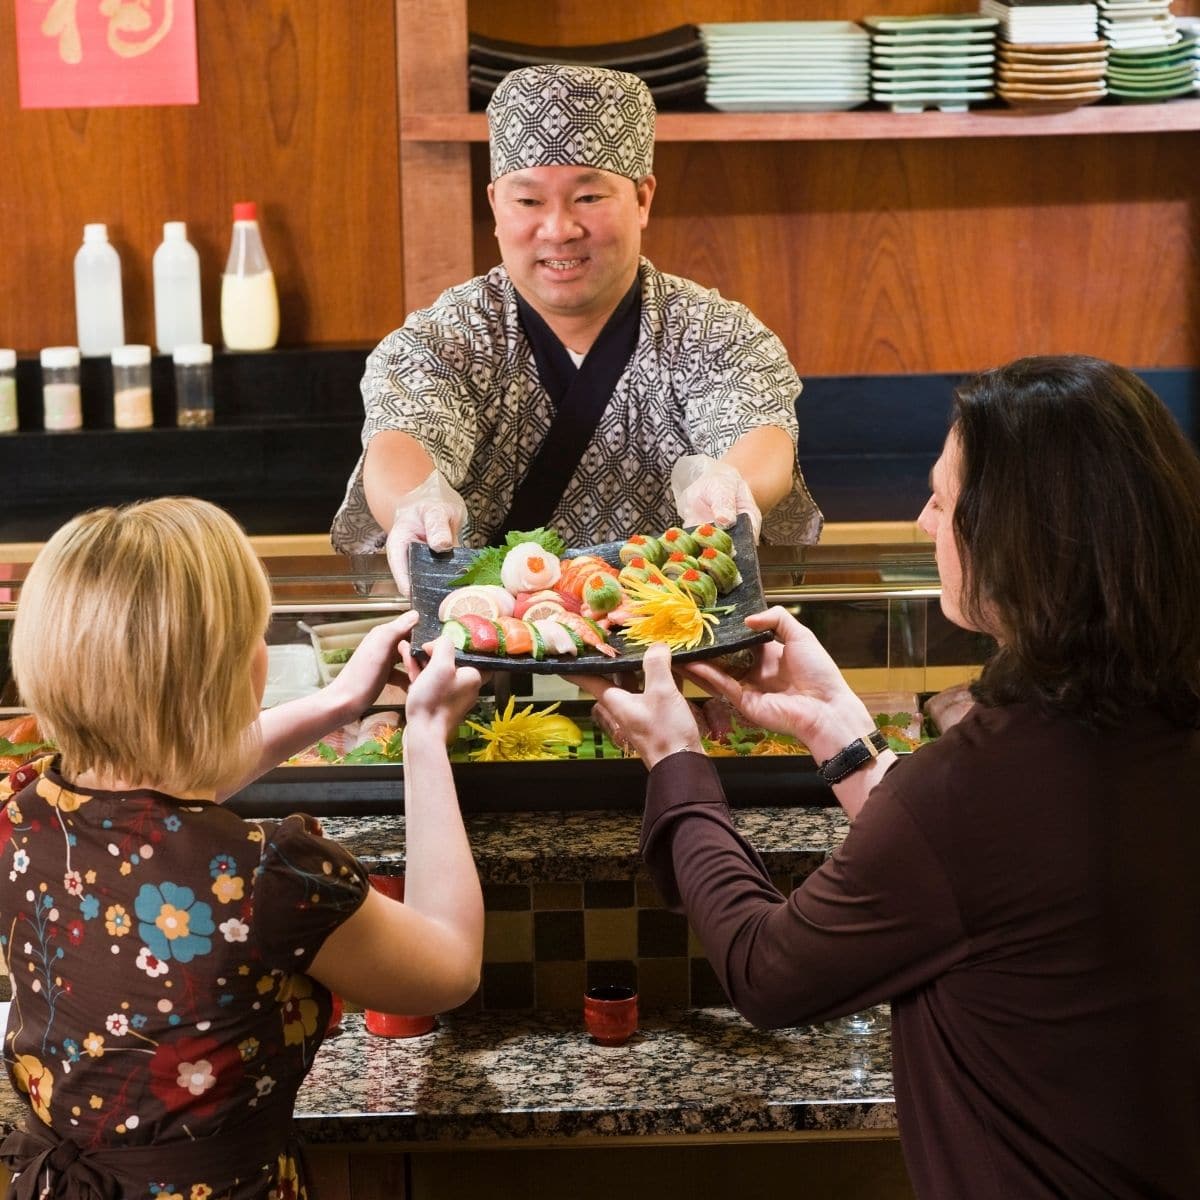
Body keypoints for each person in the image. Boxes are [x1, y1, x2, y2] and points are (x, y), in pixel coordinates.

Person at [579, 356, 1200, 1199]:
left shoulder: (979, 784)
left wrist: (676, 764)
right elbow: (993, 882)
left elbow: (768, 973)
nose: (920, 522)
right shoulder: (1153, 721)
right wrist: (840, 731)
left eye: (943, 501)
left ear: (1018, 537)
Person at [0, 497, 485, 1197]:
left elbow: (155, 792)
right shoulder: (269, 874)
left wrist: (340, 700)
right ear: (222, 674)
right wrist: (424, 737)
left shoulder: (21, 812)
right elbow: (449, 970)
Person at [330, 63, 822, 592]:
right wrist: (417, 505)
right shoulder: (443, 339)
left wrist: (730, 485)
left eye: (588, 197)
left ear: (642, 200)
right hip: (486, 645)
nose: (559, 229)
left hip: (673, 643)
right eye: (528, 201)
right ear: (495, 204)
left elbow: (755, 426)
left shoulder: (713, 331)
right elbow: (405, 434)